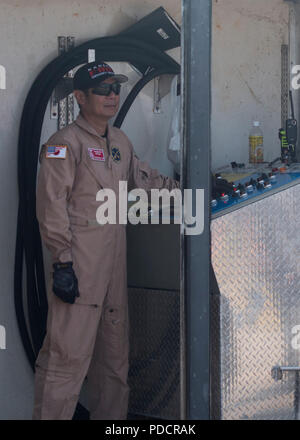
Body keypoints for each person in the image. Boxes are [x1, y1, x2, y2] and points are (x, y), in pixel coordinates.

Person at [33, 61, 179, 420]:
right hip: (79, 272)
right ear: (81, 97)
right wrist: (63, 263)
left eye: (116, 88)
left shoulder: (119, 142)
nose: (112, 95)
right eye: (103, 90)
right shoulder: (63, 144)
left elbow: (144, 181)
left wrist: (193, 191)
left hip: (112, 272)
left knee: (114, 365)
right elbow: (51, 208)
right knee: (65, 364)